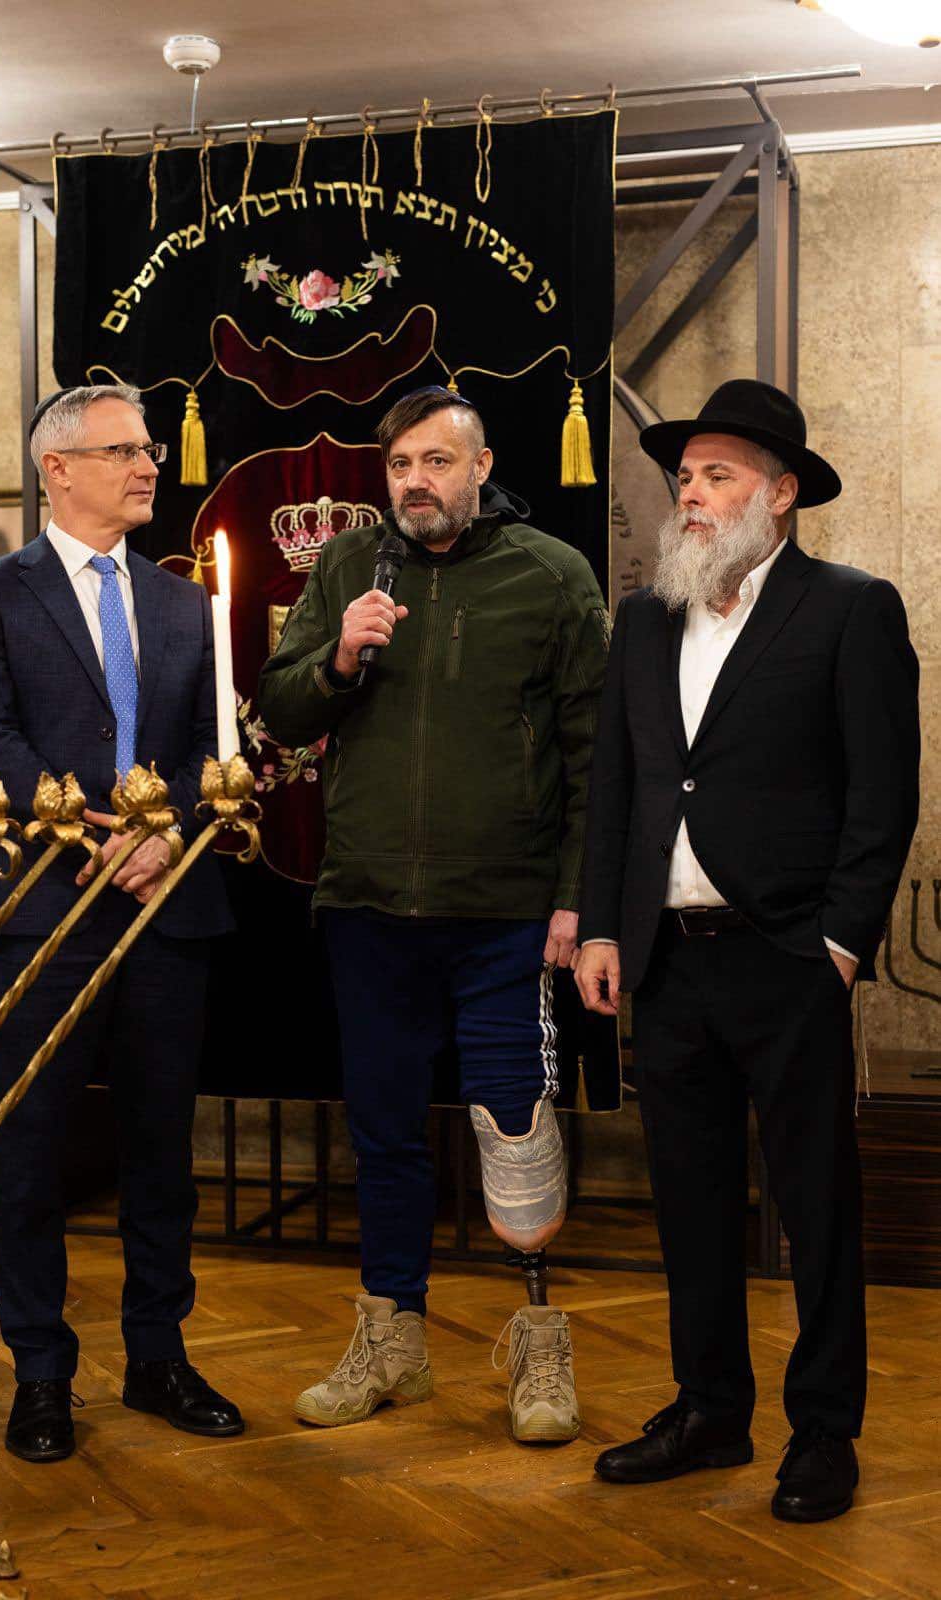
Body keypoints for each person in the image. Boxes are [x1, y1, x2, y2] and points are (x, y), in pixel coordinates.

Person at [576, 379, 919, 1522]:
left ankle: (822, 1431)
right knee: (690, 1200)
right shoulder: (643, 620)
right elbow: (617, 788)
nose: (690, 493)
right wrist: (602, 923)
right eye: (684, 477)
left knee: (815, 1209)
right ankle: (709, 1409)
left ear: (778, 495)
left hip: (786, 957)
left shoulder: (848, 610)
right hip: (668, 961)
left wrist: (838, 944)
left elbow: (880, 798)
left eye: (715, 475)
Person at [257, 385, 608, 1443]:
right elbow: (279, 710)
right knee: (382, 1134)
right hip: (368, 904)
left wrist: (573, 897)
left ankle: (539, 1348)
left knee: (516, 1130)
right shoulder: (345, 567)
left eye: (437, 461)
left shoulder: (551, 573)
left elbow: (594, 755)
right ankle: (392, 1342)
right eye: (400, 464)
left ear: (481, 466)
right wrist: (338, 655)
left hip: (503, 912)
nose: (416, 481)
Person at [0, 384, 240, 1463]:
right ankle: (41, 1374)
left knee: (161, 1148)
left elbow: (216, 748)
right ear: (56, 467)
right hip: (40, 909)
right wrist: (93, 832)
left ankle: (159, 1355)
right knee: (30, 1152)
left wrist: (167, 831)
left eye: (149, 449)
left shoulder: (182, 602)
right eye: (123, 450)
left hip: (165, 902)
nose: (147, 465)